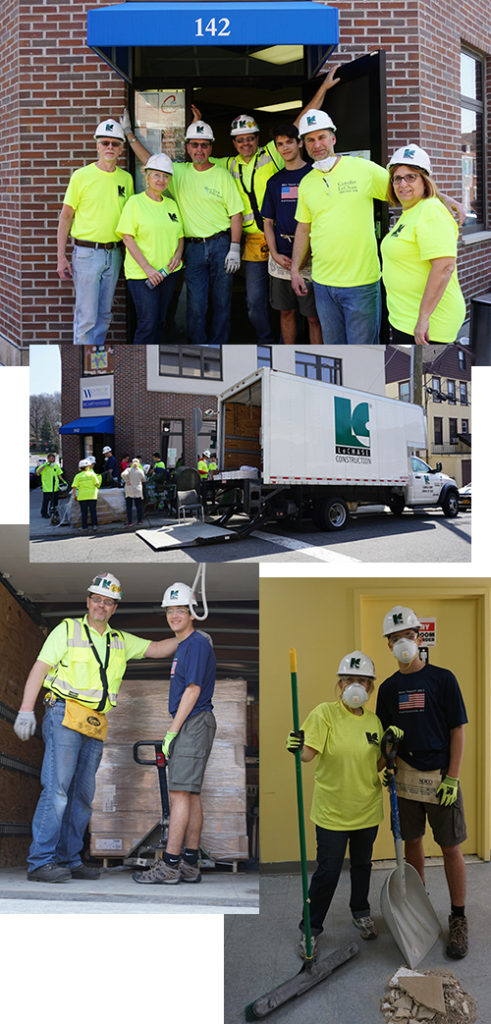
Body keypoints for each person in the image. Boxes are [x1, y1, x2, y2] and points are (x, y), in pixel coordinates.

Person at [12, 572, 179, 882]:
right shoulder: (67, 630)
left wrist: (189, 637)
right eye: (97, 600)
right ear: (88, 602)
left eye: (108, 602)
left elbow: (157, 648)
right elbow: (40, 667)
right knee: (58, 790)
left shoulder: (120, 641)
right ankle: (40, 861)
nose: (102, 606)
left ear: (114, 608)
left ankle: (69, 858)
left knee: (82, 795)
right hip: (63, 713)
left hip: (94, 722)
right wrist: (25, 709)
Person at [191, 67, 339, 343]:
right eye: (240, 140)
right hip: (249, 242)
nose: (245, 143)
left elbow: (300, 123)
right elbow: (198, 159)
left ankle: (292, 344)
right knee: (256, 304)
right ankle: (267, 341)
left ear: (257, 139)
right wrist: (196, 126)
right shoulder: (228, 164)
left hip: (284, 238)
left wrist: (324, 89)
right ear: (233, 142)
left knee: (305, 307)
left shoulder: (271, 153)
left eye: (250, 138)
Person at [291, 112, 465, 345]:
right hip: (322, 283)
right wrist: (295, 270)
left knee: (364, 352)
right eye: (310, 140)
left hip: (361, 284)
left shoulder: (363, 169)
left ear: (333, 138)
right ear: (303, 144)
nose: (317, 144)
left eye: (322, 137)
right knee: (334, 348)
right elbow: (304, 228)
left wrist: (444, 199)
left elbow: (407, 188)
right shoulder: (306, 183)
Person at [376, 605, 468, 959]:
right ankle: (419, 909)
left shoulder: (443, 679)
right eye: (396, 638)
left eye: (409, 636)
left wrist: (454, 777)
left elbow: (457, 729)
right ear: (388, 645)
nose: (403, 643)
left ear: (419, 637)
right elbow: (383, 742)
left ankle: (458, 918)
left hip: (440, 779)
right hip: (406, 779)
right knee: (413, 845)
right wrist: (387, 752)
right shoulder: (387, 689)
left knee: (450, 847)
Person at [286, 651, 385, 957]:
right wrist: (297, 746)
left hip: (367, 808)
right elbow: (308, 755)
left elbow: (377, 764)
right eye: (350, 680)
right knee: (327, 872)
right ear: (341, 684)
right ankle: (311, 928)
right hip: (332, 812)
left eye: (363, 681)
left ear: (369, 687)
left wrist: (391, 751)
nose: (356, 686)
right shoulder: (324, 713)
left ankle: (360, 911)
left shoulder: (374, 721)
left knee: (362, 865)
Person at [121, 114, 243, 344]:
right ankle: (198, 348)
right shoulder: (178, 173)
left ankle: (220, 347)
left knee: (222, 303)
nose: (199, 149)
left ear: (210, 148)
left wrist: (234, 247)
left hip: (221, 246)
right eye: (195, 145)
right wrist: (129, 135)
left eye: (204, 145)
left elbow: (236, 214)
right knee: (196, 306)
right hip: (193, 249)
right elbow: (152, 163)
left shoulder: (222, 175)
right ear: (187, 148)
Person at [133, 582, 216, 884]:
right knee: (190, 795)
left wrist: (171, 732)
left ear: (192, 612)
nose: (174, 614)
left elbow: (192, 690)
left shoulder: (194, 644)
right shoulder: (185, 645)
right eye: (170, 609)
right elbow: (155, 649)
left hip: (193, 720)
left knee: (179, 793)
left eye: (180, 609)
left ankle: (170, 865)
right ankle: (191, 863)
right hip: (195, 722)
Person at [57, 118, 133, 345]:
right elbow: (66, 215)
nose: (110, 147)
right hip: (87, 254)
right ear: (97, 145)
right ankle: (84, 361)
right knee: (86, 317)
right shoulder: (81, 176)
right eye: (105, 142)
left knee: (104, 315)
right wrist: (61, 257)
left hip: (115, 253)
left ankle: (96, 354)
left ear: (121, 148)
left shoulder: (126, 179)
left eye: (115, 143)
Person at [381, 145, 466, 345]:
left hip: (429, 325)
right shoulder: (412, 211)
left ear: (425, 180)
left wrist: (423, 318)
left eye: (411, 177)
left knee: (423, 376)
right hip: (406, 318)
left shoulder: (431, 211)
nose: (403, 184)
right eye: (397, 178)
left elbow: (444, 266)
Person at [261, 124, 322, 344]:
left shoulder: (316, 175)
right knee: (285, 312)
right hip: (281, 260)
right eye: (280, 144)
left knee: (313, 317)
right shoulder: (274, 181)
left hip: (312, 258)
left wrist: (306, 255)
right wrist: (274, 253)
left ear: (299, 143)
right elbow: (268, 222)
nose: (285, 147)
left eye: (289, 142)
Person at [116, 154, 184, 344]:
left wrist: (178, 255)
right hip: (142, 275)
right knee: (148, 323)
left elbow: (180, 236)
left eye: (165, 176)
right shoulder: (135, 203)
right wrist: (147, 269)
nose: (161, 180)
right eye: (156, 175)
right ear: (146, 177)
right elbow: (127, 238)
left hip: (168, 274)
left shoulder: (171, 205)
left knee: (161, 321)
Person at [71, 458, 102, 531]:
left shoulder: (78, 476)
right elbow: (97, 484)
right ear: (88, 467)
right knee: (93, 511)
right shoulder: (92, 474)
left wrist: (75, 496)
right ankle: (95, 525)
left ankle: (84, 526)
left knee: (84, 512)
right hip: (92, 495)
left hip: (82, 496)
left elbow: (74, 487)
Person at [36, 453, 63, 519]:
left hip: (55, 487)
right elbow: (38, 472)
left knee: (54, 501)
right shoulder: (44, 466)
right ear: (48, 459)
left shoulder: (56, 466)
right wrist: (45, 466)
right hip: (47, 488)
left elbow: (59, 475)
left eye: (53, 458)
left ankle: (53, 512)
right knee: (46, 502)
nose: (52, 459)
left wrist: (63, 481)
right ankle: (44, 513)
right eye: (51, 458)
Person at [121, 457, 146, 526]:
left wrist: (127, 481)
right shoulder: (140, 471)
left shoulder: (128, 470)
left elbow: (123, 474)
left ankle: (130, 522)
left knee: (129, 506)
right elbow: (144, 479)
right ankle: (139, 521)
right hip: (138, 489)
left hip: (129, 489)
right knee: (139, 506)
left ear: (131, 463)